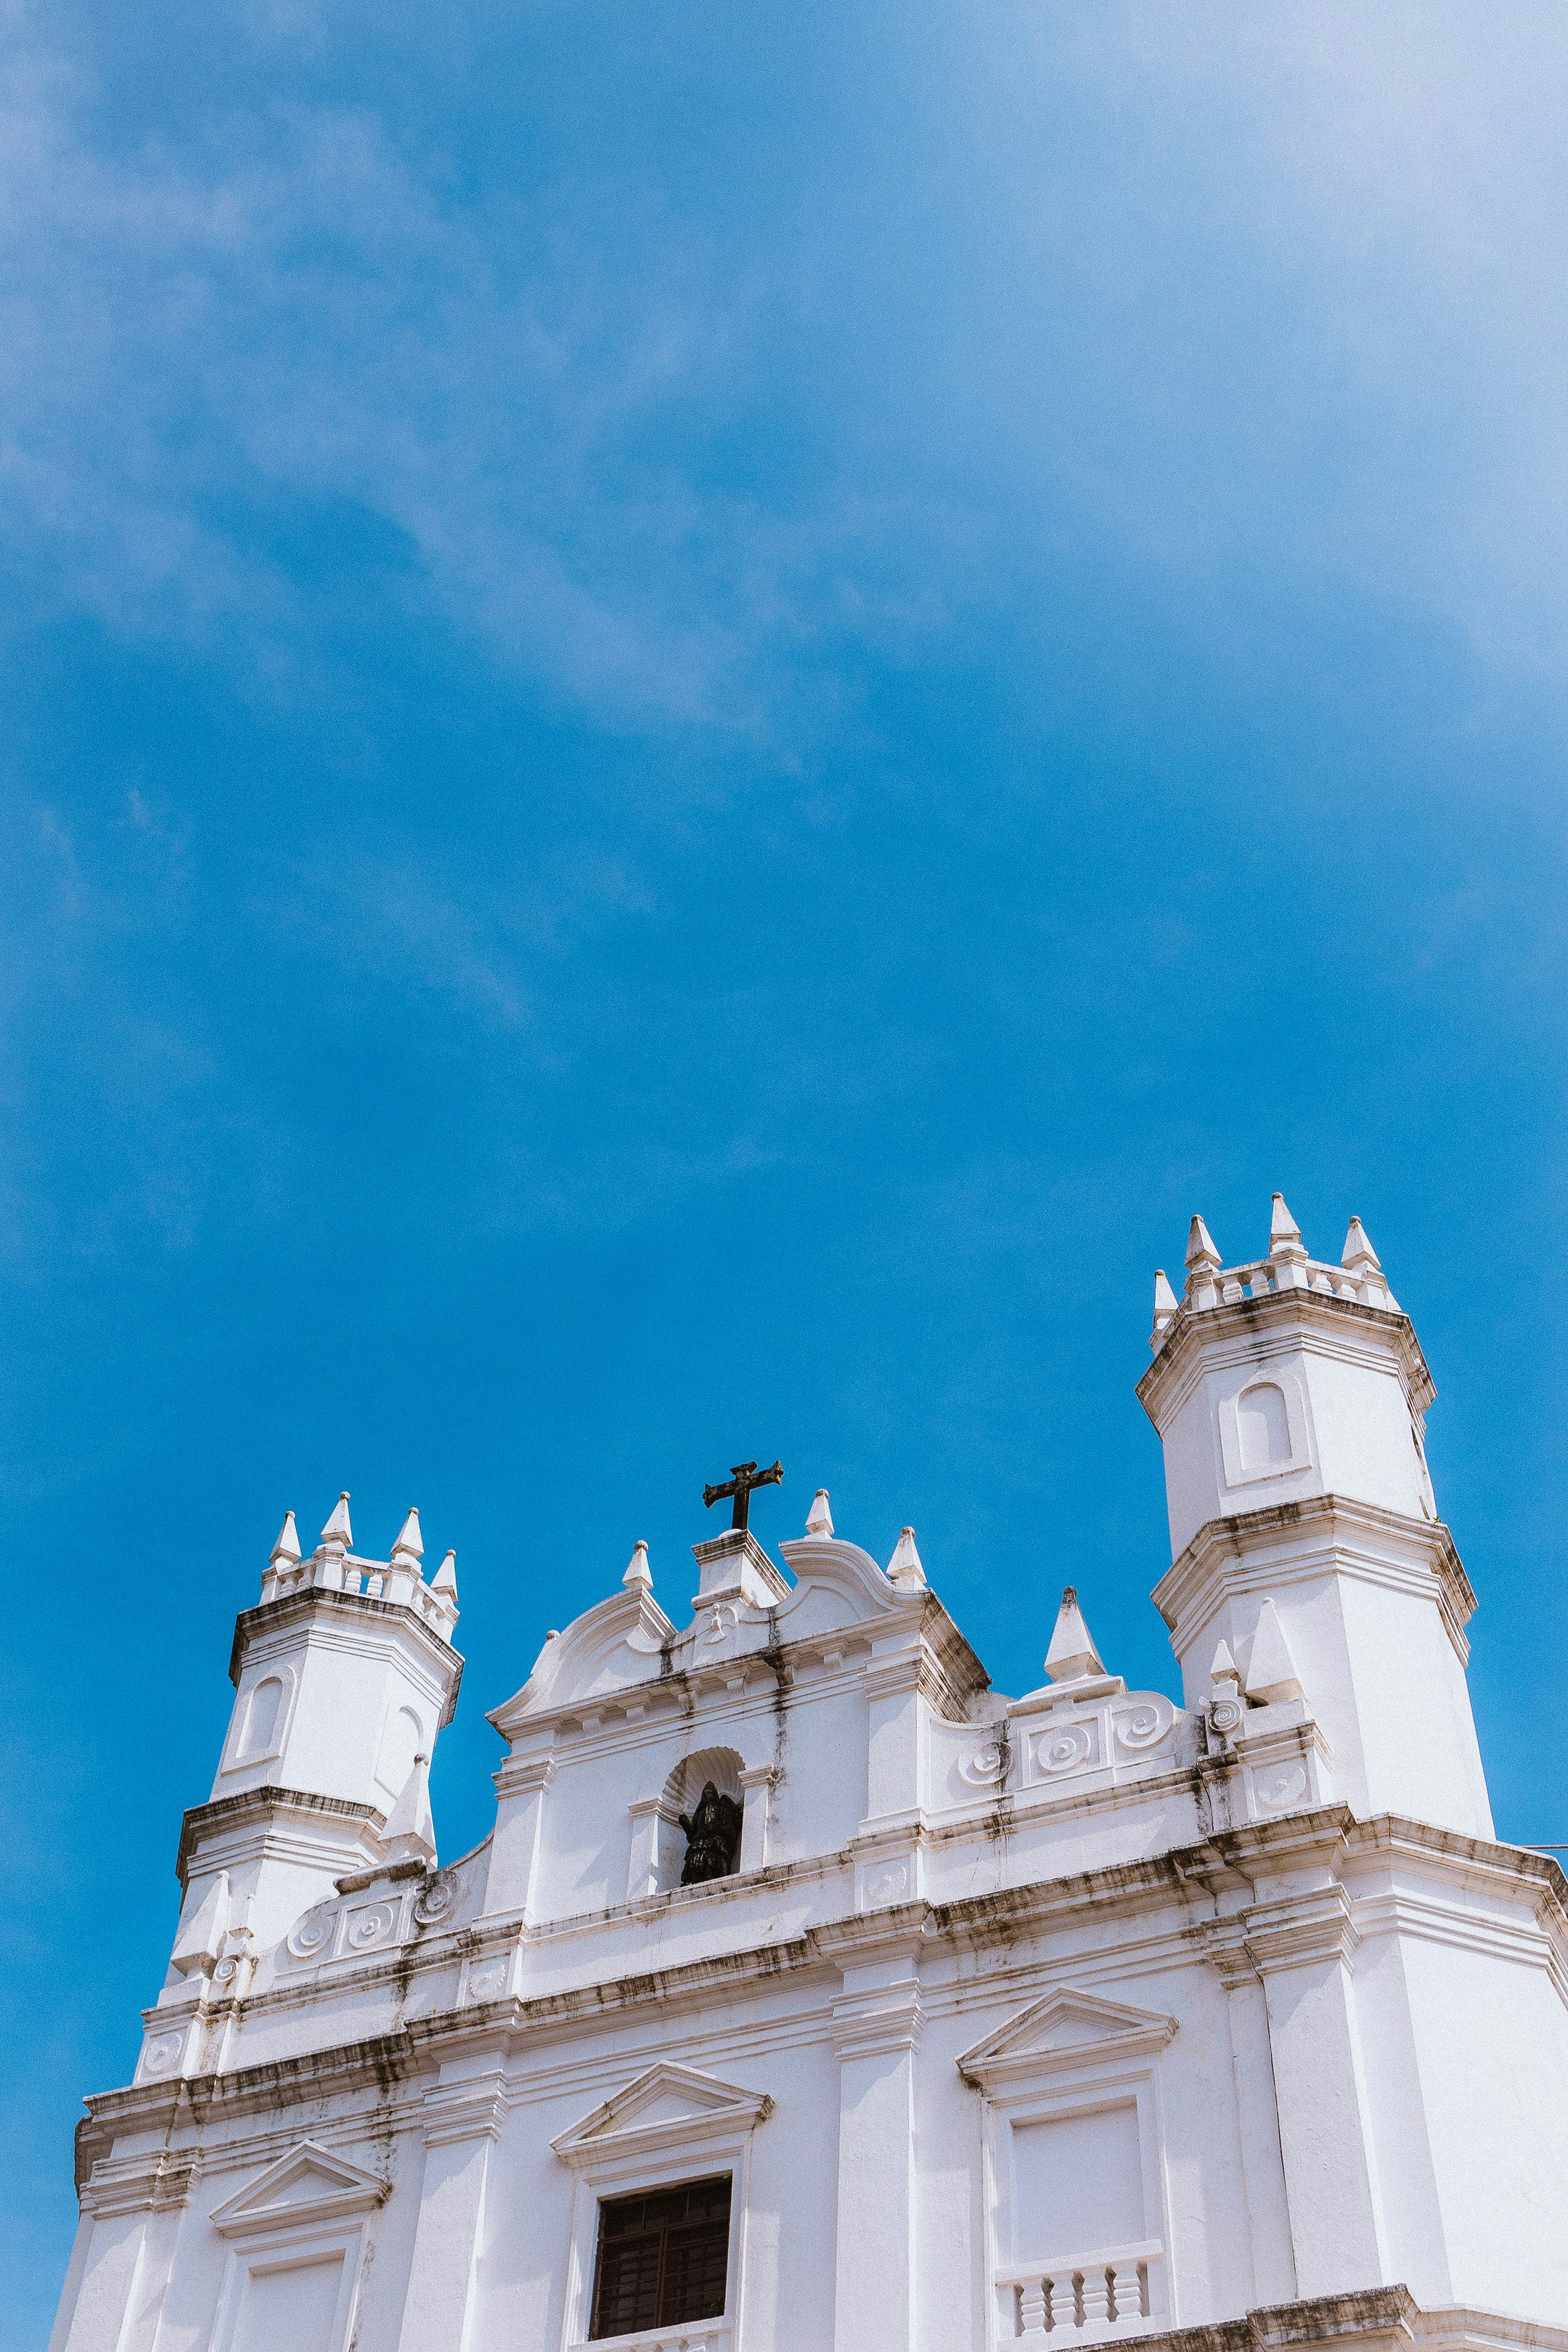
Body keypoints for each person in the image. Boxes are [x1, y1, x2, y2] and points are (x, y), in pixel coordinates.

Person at [678, 1781, 743, 1884]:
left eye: (709, 1793)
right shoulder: (699, 1814)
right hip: (697, 1845)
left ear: (714, 1795)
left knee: (713, 1866)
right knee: (694, 1865)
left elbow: (728, 1828)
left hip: (715, 1844)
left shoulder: (721, 1809)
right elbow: (692, 1835)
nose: (706, 1796)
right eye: (704, 1794)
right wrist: (685, 1824)